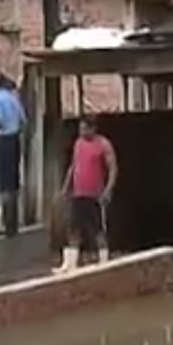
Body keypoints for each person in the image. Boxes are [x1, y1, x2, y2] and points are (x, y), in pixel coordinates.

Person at [57, 116, 117, 273]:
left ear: (93, 129)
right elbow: (73, 166)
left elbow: (112, 168)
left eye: (85, 129)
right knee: (73, 227)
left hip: (95, 194)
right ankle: (70, 263)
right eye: (80, 129)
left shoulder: (103, 145)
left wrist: (108, 189)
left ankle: (104, 260)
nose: (82, 132)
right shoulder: (78, 143)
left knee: (98, 228)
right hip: (78, 193)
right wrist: (66, 187)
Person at [0, 72, 27, 237]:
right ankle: (14, 223)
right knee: (13, 183)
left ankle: (6, 223)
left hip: (4, 139)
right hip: (15, 139)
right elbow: (23, 120)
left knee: (4, 185)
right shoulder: (13, 98)